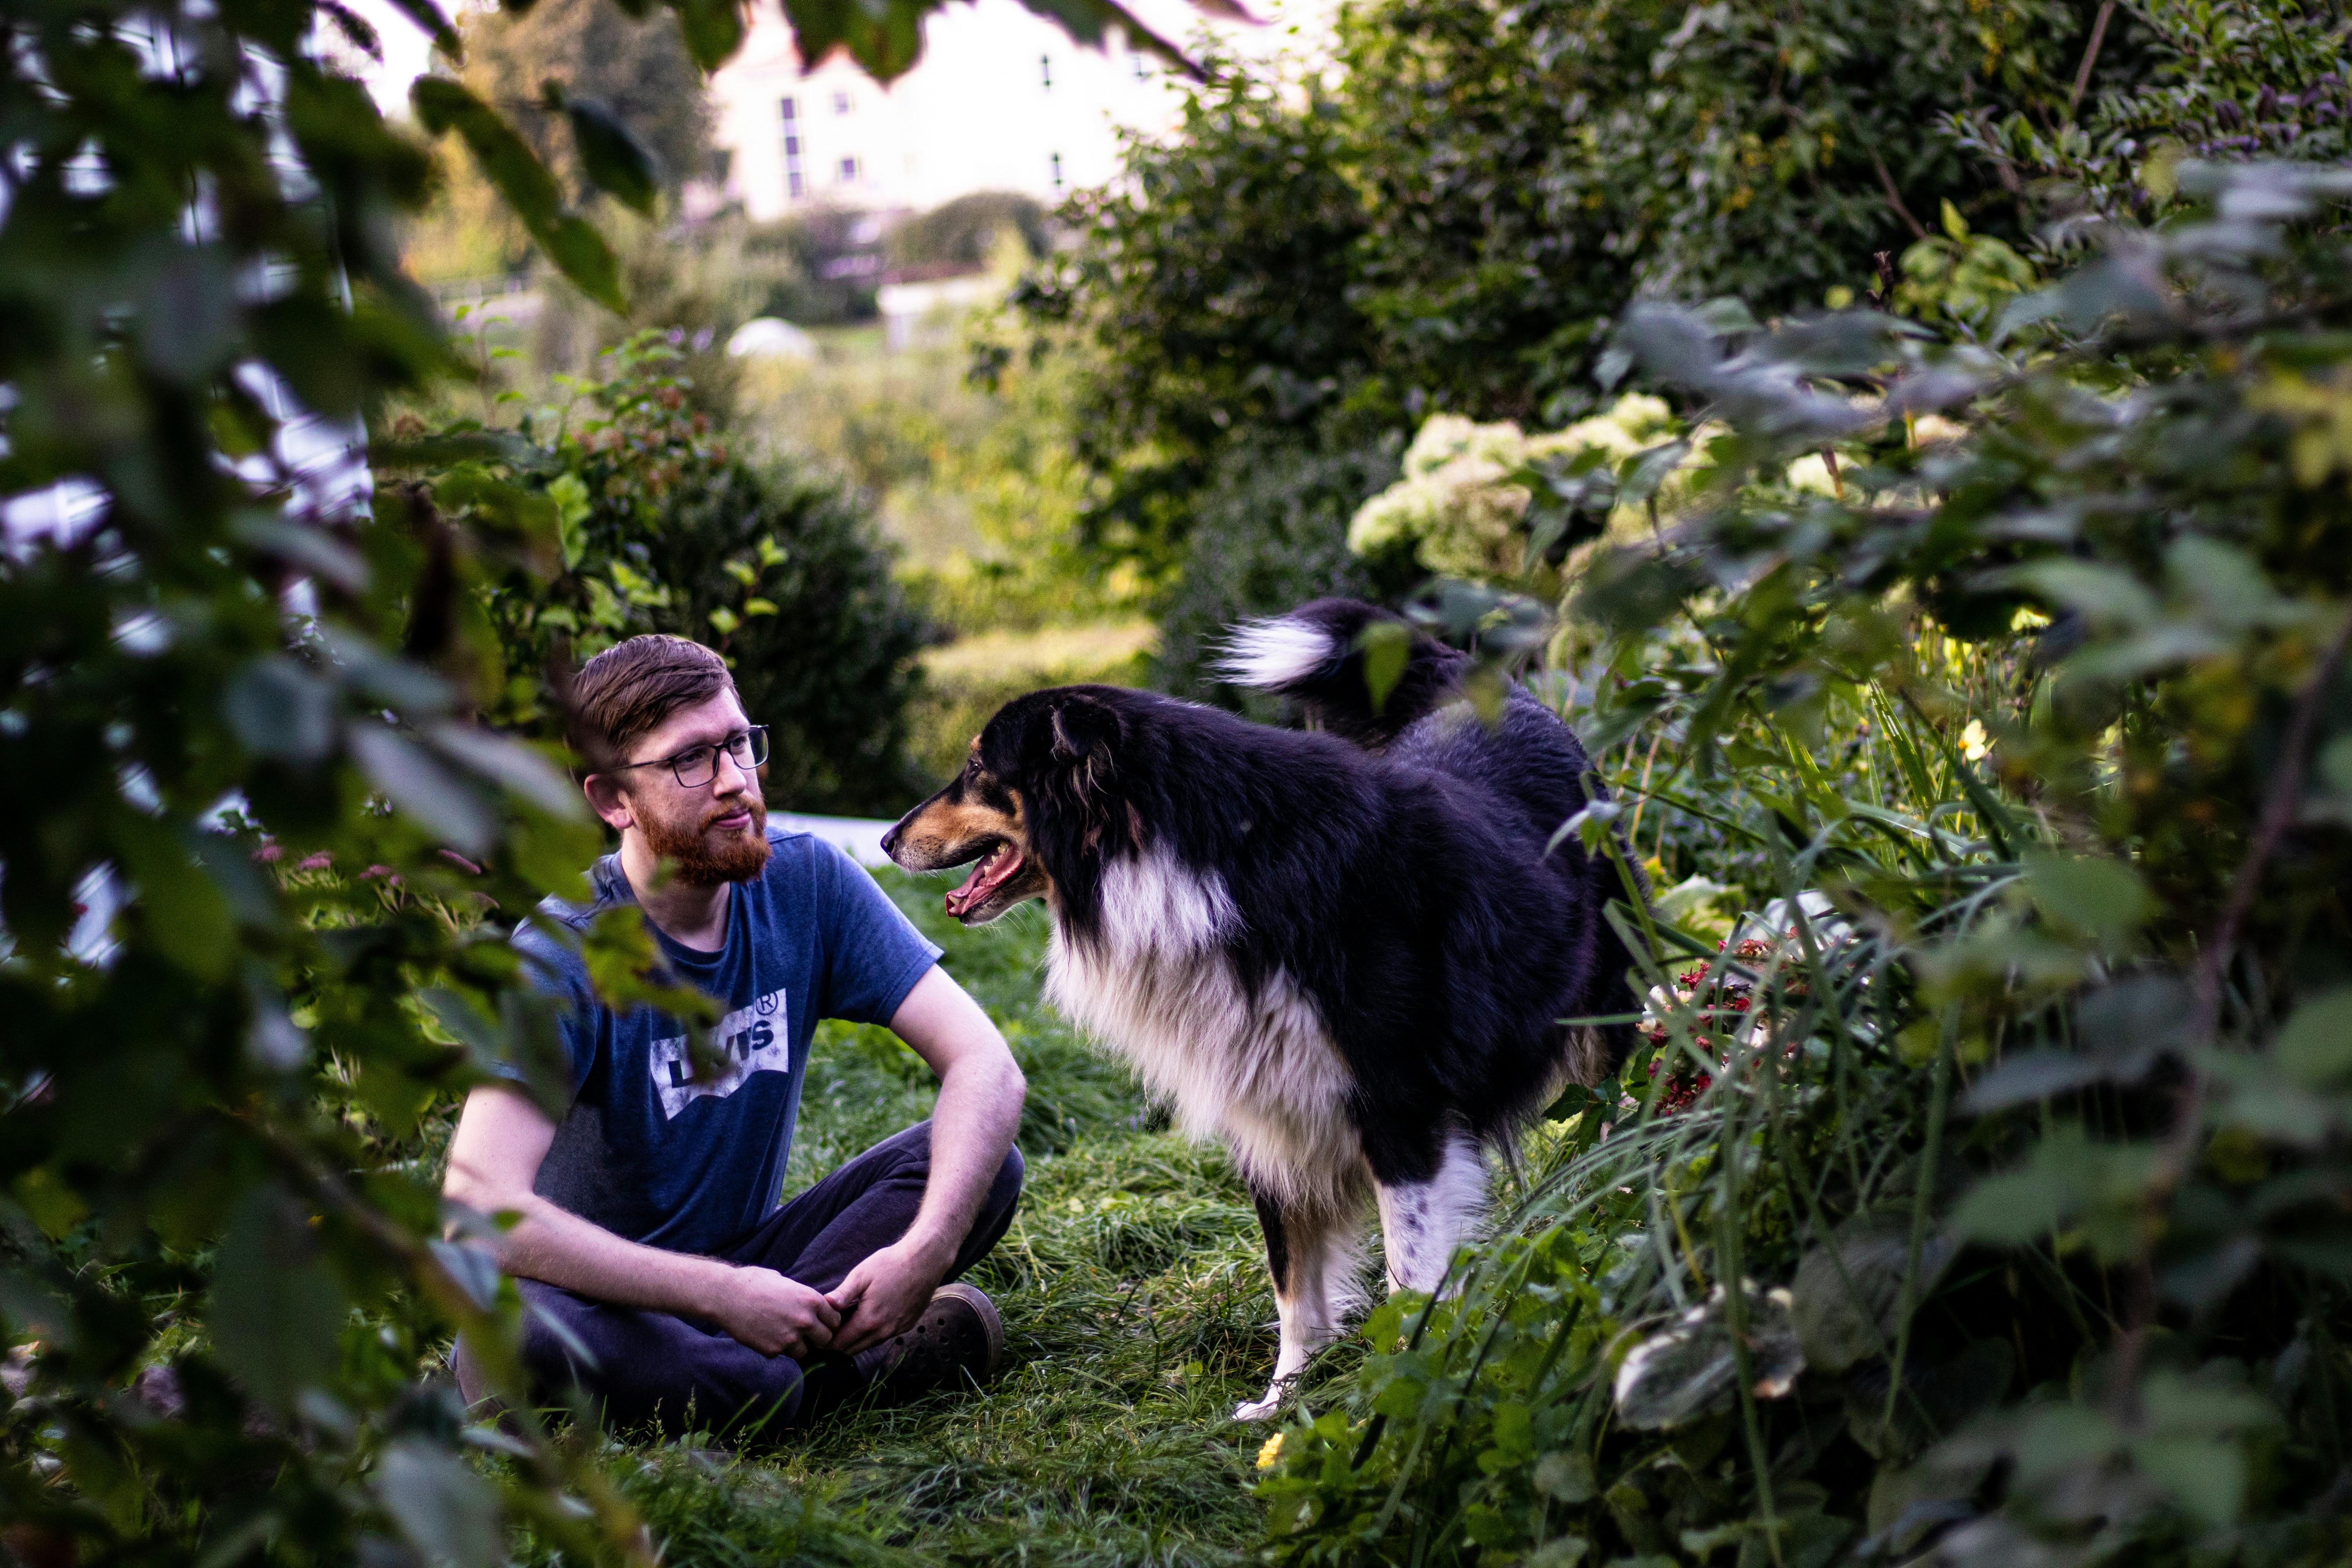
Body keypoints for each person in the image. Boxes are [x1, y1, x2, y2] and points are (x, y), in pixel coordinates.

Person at [442, 634, 1027, 1441]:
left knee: (979, 1160)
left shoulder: (807, 879)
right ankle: (844, 1371)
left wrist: (925, 1248)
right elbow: (478, 1207)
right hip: (589, 1301)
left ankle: (752, 1378)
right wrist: (717, 1295)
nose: (734, 782)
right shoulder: (561, 957)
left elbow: (986, 1064)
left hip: (755, 1264)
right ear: (613, 799)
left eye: (738, 745)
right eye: (690, 760)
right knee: (525, 1329)